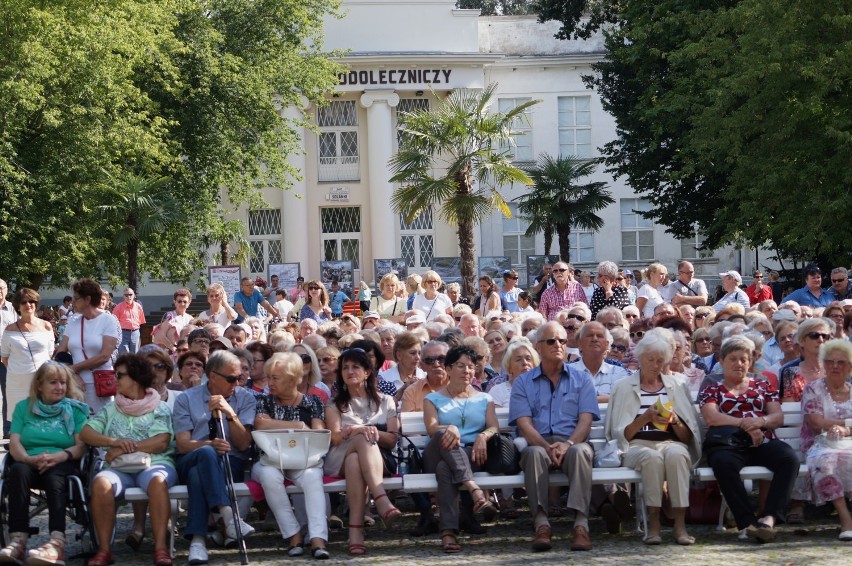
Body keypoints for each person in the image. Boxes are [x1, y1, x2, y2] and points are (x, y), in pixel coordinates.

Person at [698, 335, 799, 543]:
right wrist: (745, 423)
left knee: (789, 458)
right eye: (733, 359)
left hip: (762, 440)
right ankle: (748, 522)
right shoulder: (712, 385)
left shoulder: (761, 383)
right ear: (722, 361)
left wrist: (759, 423)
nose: (739, 363)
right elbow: (711, 416)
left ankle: (769, 519)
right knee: (722, 463)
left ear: (750, 361)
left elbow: (777, 417)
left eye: (744, 359)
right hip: (728, 444)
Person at [509, 321, 599, 552]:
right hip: (538, 442)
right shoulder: (523, 382)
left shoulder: (582, 379)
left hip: (572, 442)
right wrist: (546, 446)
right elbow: (523, 423)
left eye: (562, 340)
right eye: (551, 341)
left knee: (581, 452)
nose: (558, 345)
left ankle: (581, 524)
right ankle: (541, 523)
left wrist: (568, 443)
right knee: (533, 454)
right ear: (538, 347)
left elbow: (586, 420)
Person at [606, 328, 701, 545]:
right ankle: (654, 523)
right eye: (651, 359)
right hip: (636, 445)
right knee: (652, 458)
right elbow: (621, 435)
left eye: (660, 360)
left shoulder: (676, 386)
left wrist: (675, 420)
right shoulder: (623, 387)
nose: (655, 365)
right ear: (639, 357)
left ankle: (680, 525)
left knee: (677, 455)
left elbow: (687, 439)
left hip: (670, 442)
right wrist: (645, 418)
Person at [81, 354, 176, 566]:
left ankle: (160, 547)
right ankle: (104, 550)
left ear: (135, 378)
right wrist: (114, 442)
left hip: (155, 463)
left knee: (157, 481)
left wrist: (123, 448)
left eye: (120, 375)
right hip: (119, 469)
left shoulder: (159, 408)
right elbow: (86, 433)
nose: (115, 379)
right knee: (100, 483)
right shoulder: (110, 409)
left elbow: (161, 441)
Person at [172, 351, 257, 564]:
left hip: (231, 461)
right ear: (212, 376)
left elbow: (243, 444)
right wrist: (208, 445)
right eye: (231, 379)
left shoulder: (245, 398)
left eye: (239, 377)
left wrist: (231, 414)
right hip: (190, 456)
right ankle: (229, 517)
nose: (236, 383)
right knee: (206, 454)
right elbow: (182, 444)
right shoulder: (186, 399)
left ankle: (197, 541)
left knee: (197, 475)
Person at [0, 363, 87, 565]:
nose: (59, 387)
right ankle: (18, 540)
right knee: (18, 471)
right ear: (39, 385)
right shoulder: (24, 407)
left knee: (55, 475)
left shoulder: (75, 409)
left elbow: (81, 446)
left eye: (63, 383)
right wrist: (28, 459)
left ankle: (57, 542)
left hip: (63, 460)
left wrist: (61, 456)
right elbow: (14, 443)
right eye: (53, 382)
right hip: (29, 459)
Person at [324, 348, 401, 556]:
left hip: (379, 459)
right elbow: (336, 438)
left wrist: (371, 432)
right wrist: (359, 431)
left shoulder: (386, 401)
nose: (349, 371)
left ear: (367, 372)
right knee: (359, 440)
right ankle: (381, 498)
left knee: (355, 460)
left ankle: (355, 531)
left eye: (355, 367)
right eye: (345, 368)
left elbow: (393, 439)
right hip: (338, 457)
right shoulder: (334, 404)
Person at [252, 352, 329, 558]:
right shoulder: (264, 401)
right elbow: (261, 424)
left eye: (275, 378)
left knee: (313, 477)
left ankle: (317, 538)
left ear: (293, 379)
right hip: (270, 460)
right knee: (269, 476)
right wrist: (298, 426)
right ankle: (293, 534)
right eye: (268, 377)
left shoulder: (313, 402)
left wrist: (278, 427)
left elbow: (319, 433)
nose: (270, 383)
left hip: (304, 460)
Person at [423, 345, 498, 553]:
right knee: (442, 436)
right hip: (437, 449)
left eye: (471, 367)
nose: (467, 371)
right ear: (448, 369)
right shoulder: (432, 399)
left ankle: (448, 532)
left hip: (471, 454)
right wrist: (451, 428)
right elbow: (431, 430)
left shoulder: (484, 398)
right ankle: (475, 490)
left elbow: (494, 427)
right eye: (461, 366)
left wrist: (484, 435)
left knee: (444, 469)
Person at [799, 340, 852, 539]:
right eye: (830, 362)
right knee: (827, 461)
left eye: (841, 362)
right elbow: (815, 422)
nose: (835, 366)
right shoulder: (813, 389)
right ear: (823, 364)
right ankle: (845, 518)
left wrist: (846, 429)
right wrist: (847, 424)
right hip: (819, 443)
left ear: (850, 366)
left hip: (848, 442)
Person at [55, 279, 120, 413]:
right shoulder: (73, 321)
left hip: (101, 384)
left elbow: (104, 356)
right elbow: (60, 351)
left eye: (76, 298)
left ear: (87, 299)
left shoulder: (108, 320)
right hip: (74, 383)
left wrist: (73, 369)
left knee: (98, 424)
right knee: (77, 425)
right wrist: (73, 374)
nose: (73, 302)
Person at [2, 288, 55, 418]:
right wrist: (21, 369)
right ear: (18, 306)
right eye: (24, 302)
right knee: (20, 418)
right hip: (17, 381)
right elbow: (4, 358)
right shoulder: (10, 329)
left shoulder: (46, 326)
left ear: (36, 304)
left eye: (31, 301)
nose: (28, 305)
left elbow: (50, 353)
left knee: (42, 416)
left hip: (41, 379)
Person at [378, 331, 425, 400]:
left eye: (419, 353)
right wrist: (403, 390)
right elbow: (383, 406)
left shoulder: (425, 376)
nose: (418, 357)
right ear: (399, 355)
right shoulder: (384, 378)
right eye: (412, 353)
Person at [112, 288, 146, 354]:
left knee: (135, 354)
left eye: (130, 294)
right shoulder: (118, 307)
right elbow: (113, 322)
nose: (129, 296)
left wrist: (138, 334)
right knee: (124, 354)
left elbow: (142, 322)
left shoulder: (138, 306)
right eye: (126, 295)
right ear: (123, 296)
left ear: (134, 296)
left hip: (135, 333)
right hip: (123, 333)